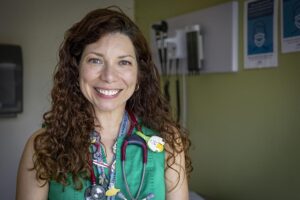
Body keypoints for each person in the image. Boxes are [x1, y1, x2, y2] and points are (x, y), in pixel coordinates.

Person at [16, 7, 192, 200]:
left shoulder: (167, 143)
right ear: (76, 71)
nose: (109, 76)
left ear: (139, 75)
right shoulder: (42, 146)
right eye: (95, 60)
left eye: (123, 62)